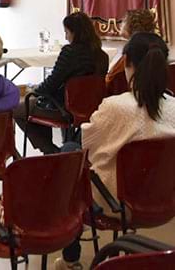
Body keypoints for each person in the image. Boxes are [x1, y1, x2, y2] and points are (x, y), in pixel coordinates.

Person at [55, 32, 175, 270]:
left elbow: (89, 147)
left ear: (127, 63)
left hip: (116, 201)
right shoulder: (173, 106)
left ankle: (70, 259)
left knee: (70, 151)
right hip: (164, 198)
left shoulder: (115, 107)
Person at [16, 12, 109, 154]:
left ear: (75, 33)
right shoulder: (102, 56)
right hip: (91, 107)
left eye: (67, 32)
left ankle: (50, 151)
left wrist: (34, 90)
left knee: (18, 109)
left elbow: (51, 84)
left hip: (64, 108)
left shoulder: (69, 52)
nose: (66, 37)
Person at [106, 9, 156, 88]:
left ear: (132, 25)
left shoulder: (131, 51)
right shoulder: (155, 46)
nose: (120, 25)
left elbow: (110, 81)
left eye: (123, 21)